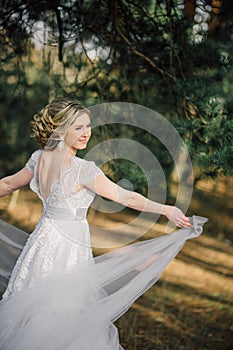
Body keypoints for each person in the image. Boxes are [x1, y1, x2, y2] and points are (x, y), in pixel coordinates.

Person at [0, 97, 207, 350]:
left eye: (88, 126)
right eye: (78, 128)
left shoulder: (39, 158)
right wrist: (165, 209)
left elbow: (8, 184)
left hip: (42, 241)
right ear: (60, 128)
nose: (87, 133)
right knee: (62, 309)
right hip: (67, 248)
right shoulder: (81, 169)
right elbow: (125, 196)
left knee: (34, 304)